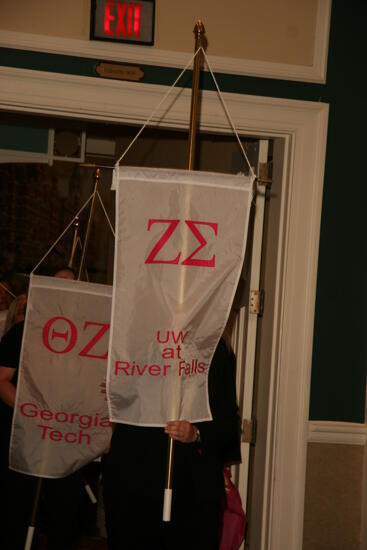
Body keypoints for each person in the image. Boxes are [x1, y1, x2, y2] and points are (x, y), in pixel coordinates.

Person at [102, 336, 240, 550]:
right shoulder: (137, 342)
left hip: (190, 487)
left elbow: (227, 422)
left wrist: (197, 433)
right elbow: (129, 402)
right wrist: (118, 395)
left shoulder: (215, 350)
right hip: (133, 480)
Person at [0, 266, 85, 549]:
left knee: (64, 519)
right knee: (19, 518)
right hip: (26, 442)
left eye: (70, 286)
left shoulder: (89, 335)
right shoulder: (22, 333)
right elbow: (1, 381)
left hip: (66, 444)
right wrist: (34, 413)